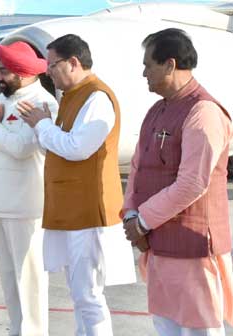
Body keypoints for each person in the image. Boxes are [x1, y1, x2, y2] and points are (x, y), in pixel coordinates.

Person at [18, 34, 136, 336]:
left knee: (89, 295)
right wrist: (40, 127)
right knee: (79, 293)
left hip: (87, 211)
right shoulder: (72, 97)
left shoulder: (97, 97)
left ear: (73, 62)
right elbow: (57, 147)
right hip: (70, 210)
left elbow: (77, 148)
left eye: (53, 64)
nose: (48, 72)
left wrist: (42, 125)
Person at [122, 28, 233, 335]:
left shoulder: (203, 112)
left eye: (148, 65)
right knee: (165, 324)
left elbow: (193, 183)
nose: (143, 72)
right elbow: (137, 169)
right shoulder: (157, 110)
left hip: (192, 247)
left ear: (170, 64)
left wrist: (143, 219)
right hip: (158, 244)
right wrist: (131, 214)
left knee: (200, 328)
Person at [0, 41, 59, 336]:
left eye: (4, 71)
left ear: (22, 73)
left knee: (29, 278)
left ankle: (34, 332)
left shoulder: (40, 102)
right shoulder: (5, 97)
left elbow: (23, 147)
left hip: (24, 204)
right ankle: (17, 330)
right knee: (9, 277)